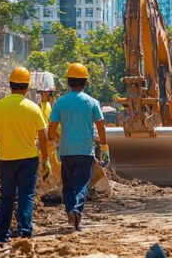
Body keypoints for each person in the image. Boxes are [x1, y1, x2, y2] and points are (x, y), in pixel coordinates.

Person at [0, 66, 52, 244]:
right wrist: (46, 160)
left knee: (6, 197)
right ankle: (25, 231)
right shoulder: (33, 108)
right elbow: (43, 136)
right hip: (29, 160)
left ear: (10, 85)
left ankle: (1, 236)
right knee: (26, 196)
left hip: (7, 160)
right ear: (27, 87)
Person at [48, 63, 108, 232]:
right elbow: (101, 126)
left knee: (67, 185)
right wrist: (104, 145)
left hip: (66, 152)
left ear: (68, 82)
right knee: (82, 185)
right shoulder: (92, 102)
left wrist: (52, 139)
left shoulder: (60, 102)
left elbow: (52, 127)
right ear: (85, 82)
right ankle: (76, 210)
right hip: (85, 152)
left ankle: (69, 211)